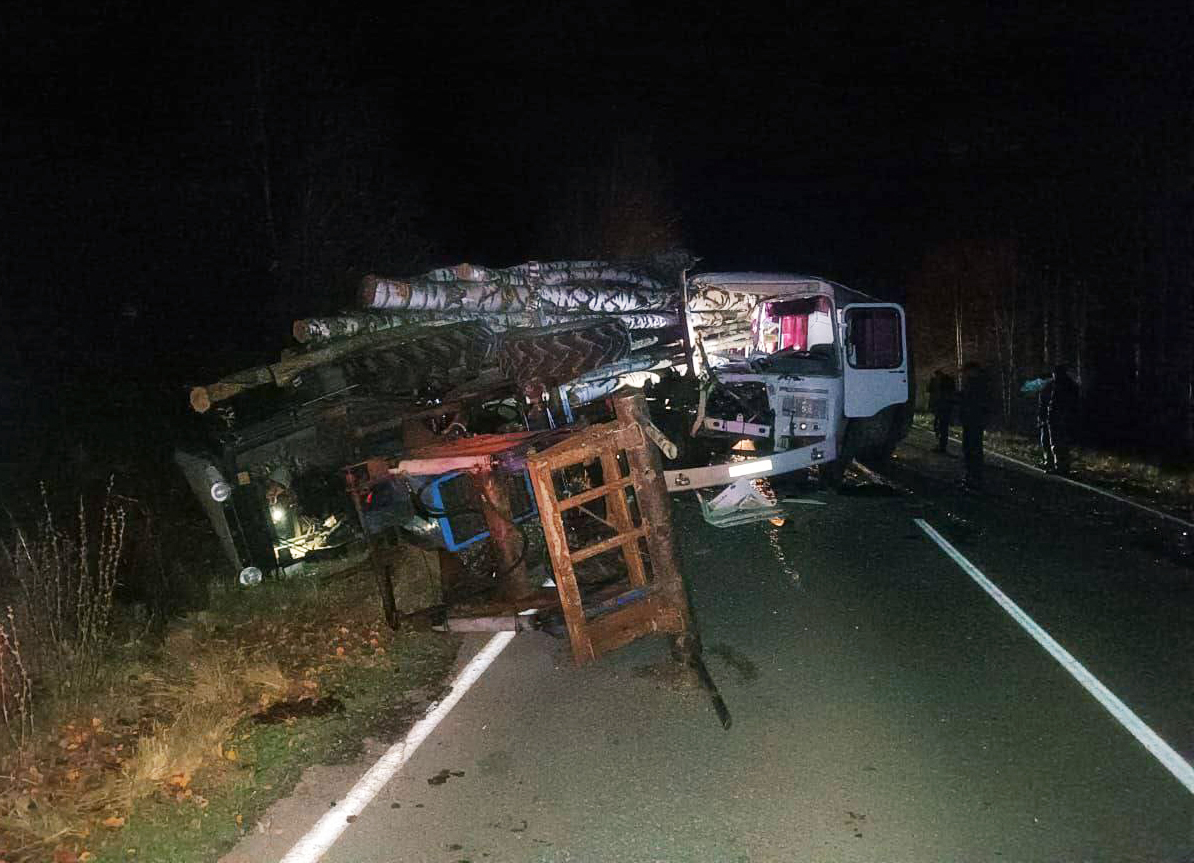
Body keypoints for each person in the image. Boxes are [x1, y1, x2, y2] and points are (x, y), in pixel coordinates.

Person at [957, 361, 991, 489]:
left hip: (974, 420)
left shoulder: (977, 384)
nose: (965, 374)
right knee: (971, 448)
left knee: (972, 449)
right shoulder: (975, 383)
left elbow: (973, 401)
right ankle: (971, 476)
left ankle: (974, 477)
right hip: (972, 420)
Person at [1041, 364, 1078, 475]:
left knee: (1056, 442)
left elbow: (1053, 403)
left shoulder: (1057, 385)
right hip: (1065, 418)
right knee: (1062, 443)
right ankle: (1063, 466)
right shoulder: (1070, 385)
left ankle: (1059, 466)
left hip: (1057, 417)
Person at [927, 368, 956, 453]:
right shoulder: (948, 382)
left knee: (941, 427)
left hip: (941, 407)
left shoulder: (940, 382)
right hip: (943, 407)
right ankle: (941, 445)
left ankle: (941, 446)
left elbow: (931, 392)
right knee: (942, 427)